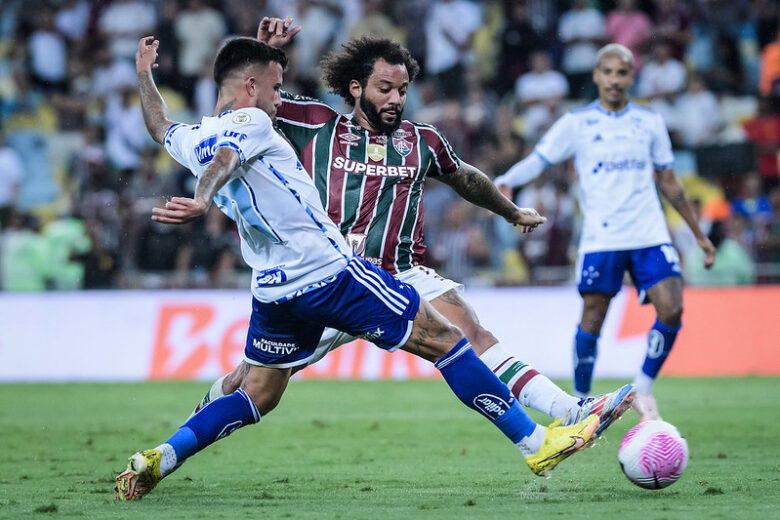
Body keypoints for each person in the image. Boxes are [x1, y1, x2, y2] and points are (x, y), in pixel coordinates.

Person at [115, 35, 597, 501]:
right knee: (447, 340)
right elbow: (228, 157)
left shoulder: (194, 136)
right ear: (250, 87)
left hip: (273, 290)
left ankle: (163, 455)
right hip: (330, 271)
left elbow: (160, 125)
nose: (281, 99)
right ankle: (537, 444)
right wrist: (202, 199)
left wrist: (143, 75)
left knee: (258, 393)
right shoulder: (255, 122)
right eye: (276, 87)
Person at [194, 17, 635, 443]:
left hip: (400, 274)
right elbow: (239, 103)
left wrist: (511, 211)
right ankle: (195, 423)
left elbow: (465, 177)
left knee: (472, 334)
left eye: (402, 90)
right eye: (384, 88)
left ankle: (572, 411)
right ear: (355, 87)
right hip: (329, 277)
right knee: (253, 383)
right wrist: (264, 53)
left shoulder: (421, 140)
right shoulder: (316, 124)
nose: (395, 99)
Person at [495, 43, 717, 421]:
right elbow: (539, 159)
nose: (615, 79)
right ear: (596, 76)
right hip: (602, 238)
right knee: (593, 318)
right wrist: (505, 181)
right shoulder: (577, 123)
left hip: (649, 234)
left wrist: (698, 234)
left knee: (673, 308)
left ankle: (643, 390)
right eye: (608, 72)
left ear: (632, 77)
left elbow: (670, 181)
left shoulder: (649, 122)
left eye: (623, 72)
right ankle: (581, 403)